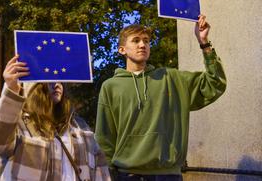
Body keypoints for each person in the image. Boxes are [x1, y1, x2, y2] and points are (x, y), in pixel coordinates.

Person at [95, 15, 227, 180]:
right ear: (122, 49)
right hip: (126, 175)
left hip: (168, 174)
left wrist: (204, 42)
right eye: (135, 40)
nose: (142, 44)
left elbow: (215, 84)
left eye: (146, 41)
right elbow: (104, 137)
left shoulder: (171, 78)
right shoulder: (111, 86)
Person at [0, 55, 111, 181]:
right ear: (34, 88)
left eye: (60, 79)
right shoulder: (18, 123)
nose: (56, 83)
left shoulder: (81, 128)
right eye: (48, 79)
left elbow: (101, 172)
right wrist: (11, 89)